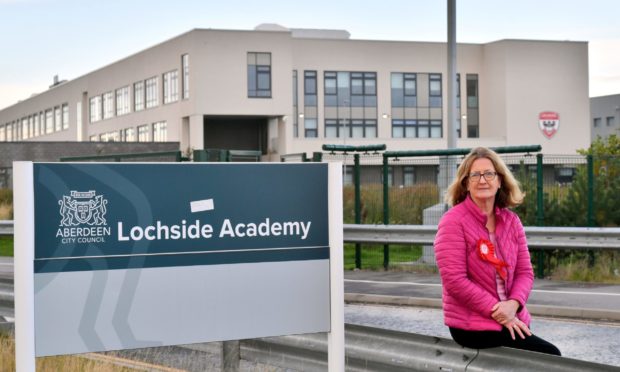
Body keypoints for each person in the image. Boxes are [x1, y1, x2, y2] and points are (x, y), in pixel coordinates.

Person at [434, 147, 561, 356]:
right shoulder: (453, 221)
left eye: (489, 174)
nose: (483, 180)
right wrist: (500, 311)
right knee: (549, 355)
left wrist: (513, 305)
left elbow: (525, 273)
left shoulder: (512, 221)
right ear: (466, 183)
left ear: (500, 180)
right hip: (471, 324)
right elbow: (454, 280)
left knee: (538, 357)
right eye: (475, 175)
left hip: (511, 317)